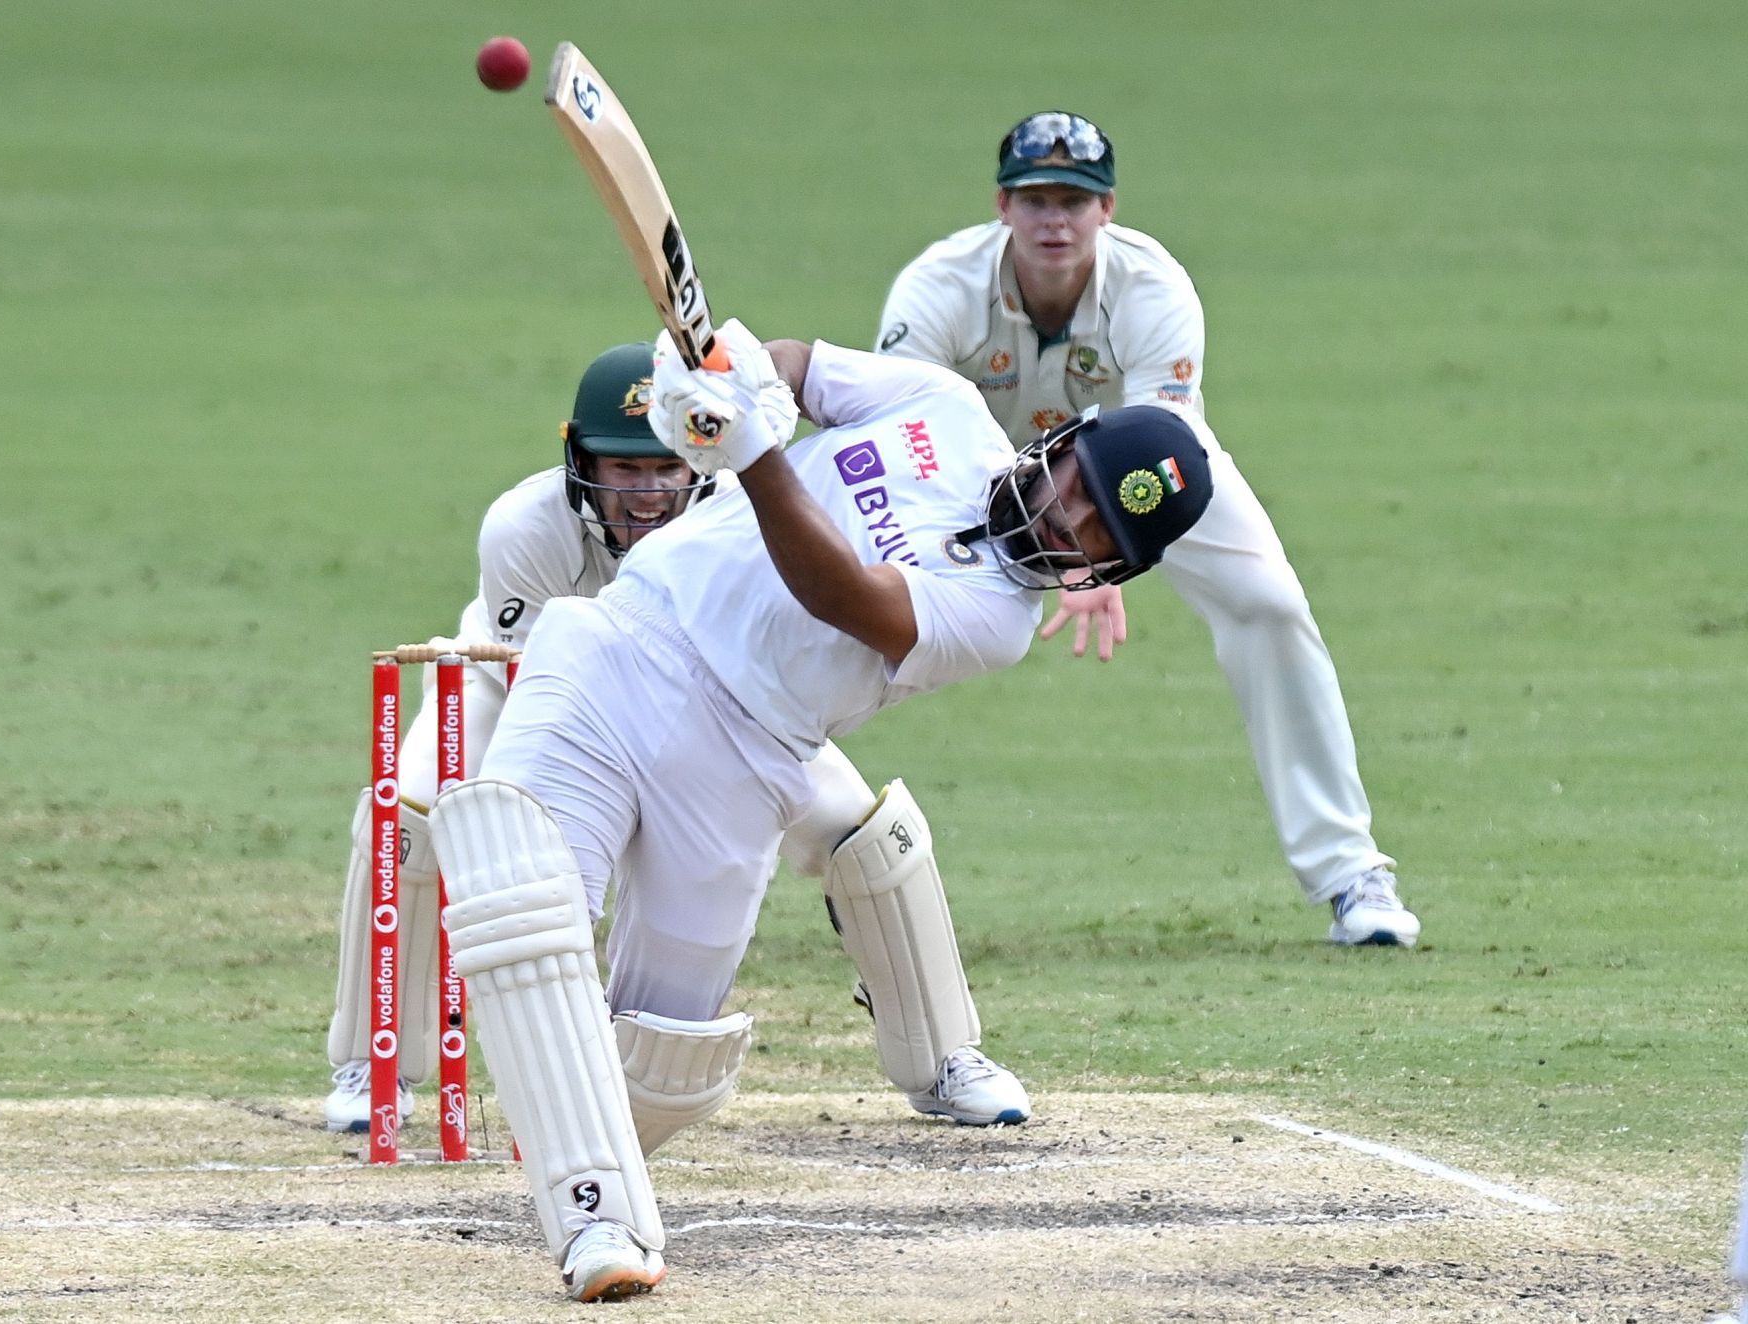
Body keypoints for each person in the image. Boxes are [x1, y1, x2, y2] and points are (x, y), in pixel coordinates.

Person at [427, 321, 1214, 1300]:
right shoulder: (943, 408)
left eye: (1100, 532)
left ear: (1110, 570)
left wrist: (749, 449)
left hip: (747, 760)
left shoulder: (997, 621)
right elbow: (794, 367)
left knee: (665, 1053)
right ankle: (599, 1226)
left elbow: (843, 594)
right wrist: (722, 376)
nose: (1068, 519)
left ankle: (571, 1141)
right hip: (625, 647)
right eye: (1081, 485)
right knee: (526, 889)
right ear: (1061, 442)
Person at [321, 343, 1030, 1134]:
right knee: (409, 825)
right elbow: (554, 721)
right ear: (579, 459)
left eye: (663, 465)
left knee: (872, 841)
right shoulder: (525, 526)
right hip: (516, 683)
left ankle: (944, 1059)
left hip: (719, 698)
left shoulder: (739, 488)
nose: (649, 491)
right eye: (622, 470)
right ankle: (373, 1061)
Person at [876, 110, 1419, 947]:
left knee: (1269, 603)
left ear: (1108, 209)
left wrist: (1092, 561)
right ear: (1002, 206)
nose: (1054, 220)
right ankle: (795, 836)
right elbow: (904, 432)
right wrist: (1042, 550)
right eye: (1036, 200)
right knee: (848, 606)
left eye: (1075, 200)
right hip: (971, 471)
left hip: (1134, 472)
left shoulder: (1155, 289)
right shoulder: (937, 288)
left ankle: (1353, 875)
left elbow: (1158, 452)